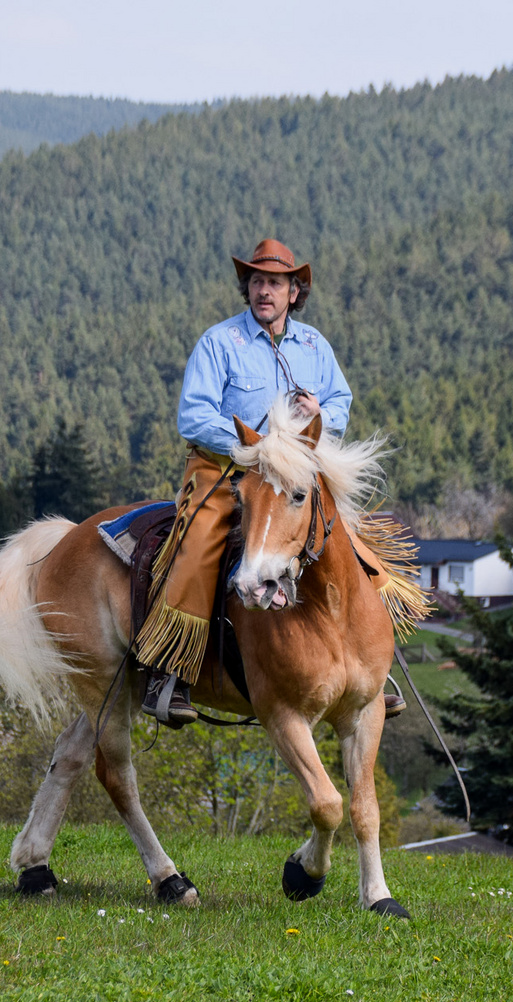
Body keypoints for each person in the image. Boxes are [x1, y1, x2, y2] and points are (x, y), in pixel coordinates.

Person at [134, 239, 410, 724]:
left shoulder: (314, 345)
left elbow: (341, 400)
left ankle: (371, 666)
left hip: (297, 479)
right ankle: (169, 669)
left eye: (276, 283)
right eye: (258, 281)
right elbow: (193, 417)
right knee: (200, 542)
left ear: (294, 292)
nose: (265, 291)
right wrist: (258, 447)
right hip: (228, 472)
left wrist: (323, 412)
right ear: (248, 288)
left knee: (350, 545)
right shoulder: (219, 343)